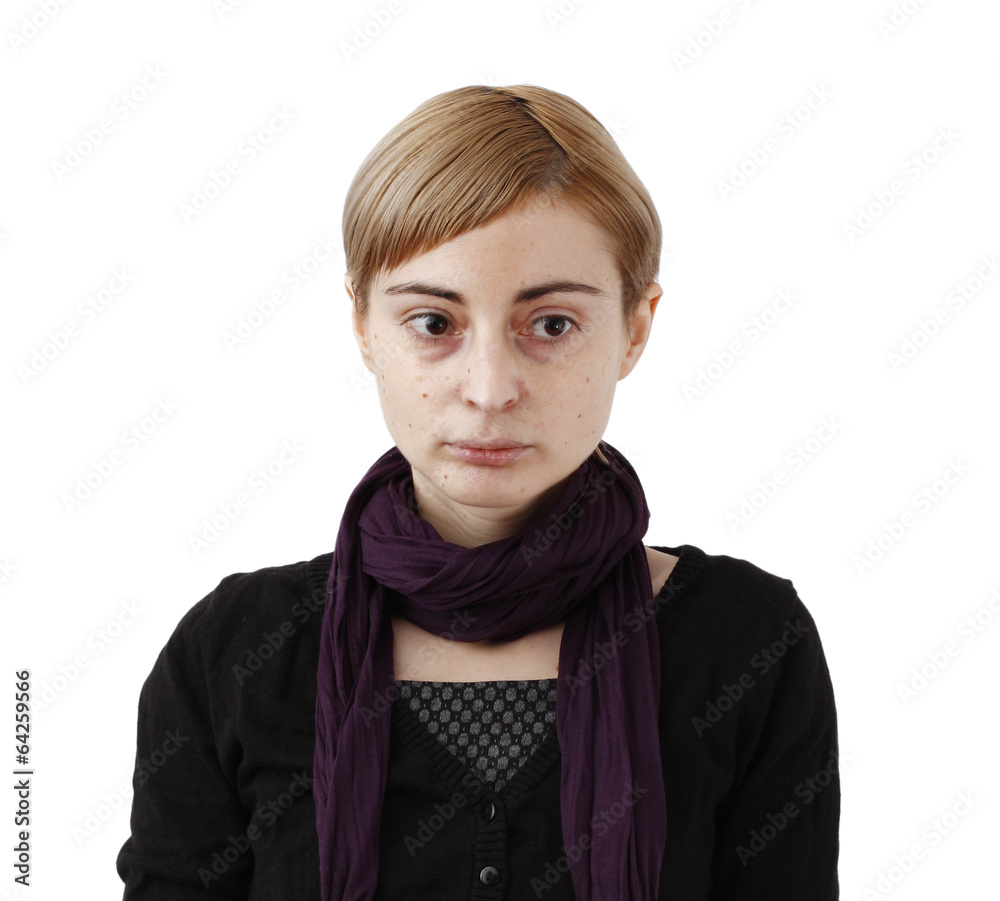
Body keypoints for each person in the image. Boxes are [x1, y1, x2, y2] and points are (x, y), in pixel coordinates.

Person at [117, 84, 840, 900]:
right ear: (363, 327)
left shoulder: (750, 641)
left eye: (552, 324)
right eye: (434, 323)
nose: (490, 389)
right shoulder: (233, 652)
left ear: (636, 328)